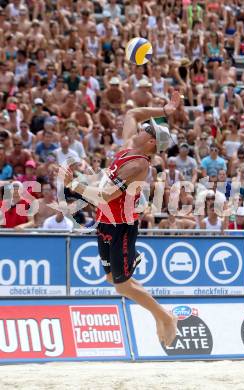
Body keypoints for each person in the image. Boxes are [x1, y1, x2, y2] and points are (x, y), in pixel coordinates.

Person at [58, 91, 181, 347]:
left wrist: (74, 185)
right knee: (113, 279)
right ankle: (160, 310)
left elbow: (103, 196)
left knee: (122, 286)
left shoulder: (138, 165)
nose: (142, 127)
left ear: (150, 143)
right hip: (106, 221)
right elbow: (132, 113)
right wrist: (166, 110)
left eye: (147, 130)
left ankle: (165, 317)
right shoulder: (127, 147)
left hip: (121, 227)